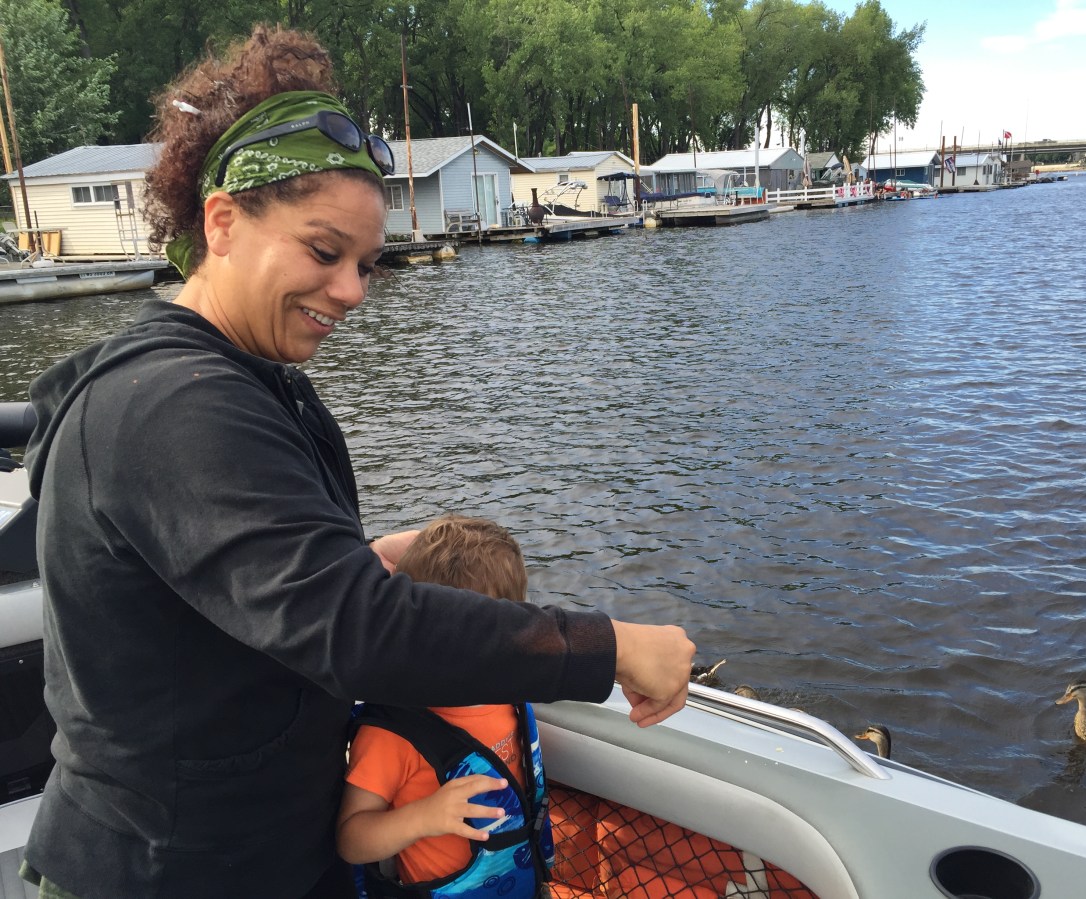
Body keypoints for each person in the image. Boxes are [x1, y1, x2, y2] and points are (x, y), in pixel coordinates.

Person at [19, 25, 694, 899]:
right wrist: (607, 646)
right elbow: (357, 632)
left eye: (367, 265)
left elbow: (259, 587)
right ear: (222, 223)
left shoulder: (253, 381)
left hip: (273, 854)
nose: (351, 291)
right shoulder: (173, 404)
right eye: (323, 250)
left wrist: (356, 557)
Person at [337, 514, 553, 899]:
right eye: (440, 637)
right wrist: (424, 816)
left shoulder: (509, 694)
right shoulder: (392, 735)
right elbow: (351, 840)